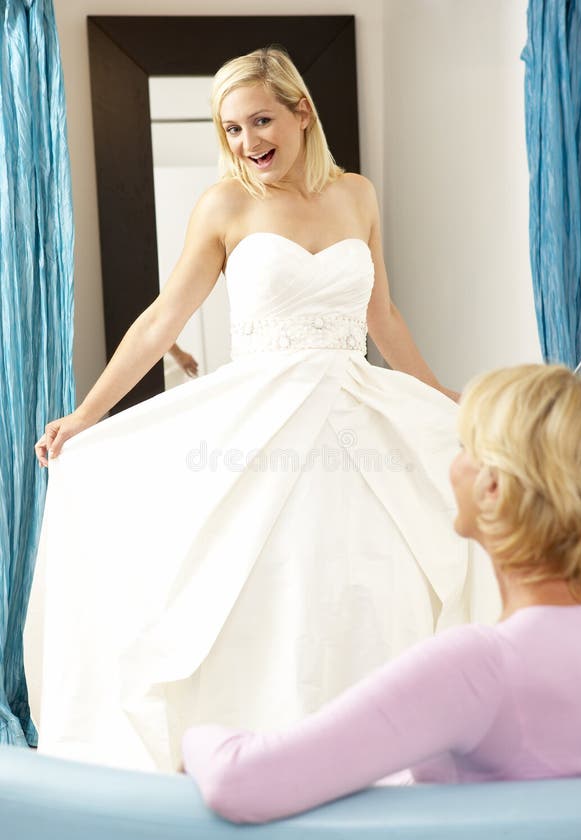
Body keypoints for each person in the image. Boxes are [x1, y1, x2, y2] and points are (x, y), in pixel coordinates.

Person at [26, 47, 499, 773]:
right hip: (261, 414)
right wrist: (87, 412)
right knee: (253, 577)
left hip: (355, 406)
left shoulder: (358, 196)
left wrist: (440, 398)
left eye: (260, 121)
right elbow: (160, 320)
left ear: (301, 111)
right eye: (232, 130)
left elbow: (386, 318)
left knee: (375, 572)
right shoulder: (225, 205)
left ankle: (374, 752)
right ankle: (258, 753)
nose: (248, 143)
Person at [182, 363, 581, 823]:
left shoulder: (481, 666)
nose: (452, 463)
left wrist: (194, 739)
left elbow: (240, 781)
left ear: (493, 487)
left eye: (464, 448)